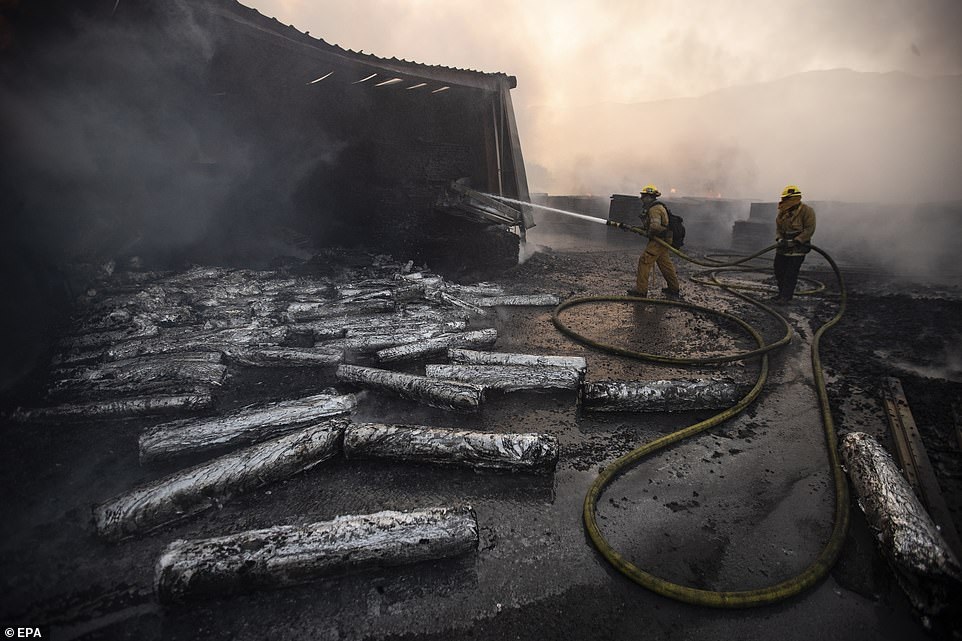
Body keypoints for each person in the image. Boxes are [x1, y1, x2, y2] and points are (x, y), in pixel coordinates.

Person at [628, 184, 680, 298]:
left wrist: (647, 233)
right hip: (663, 240)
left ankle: (641, 291)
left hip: (658, 241)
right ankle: (674, 288)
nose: (641, 198)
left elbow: (655, 227)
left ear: (649, 197)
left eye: (643, 196)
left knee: (644, 261)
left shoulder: (654, 209)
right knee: (665, 264)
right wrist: (637, 228)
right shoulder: (656, 207)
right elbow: (653, 226)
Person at [772, 184, 816, 303]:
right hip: (783, 248)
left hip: (798, 249)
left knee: (790, 273)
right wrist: (779, 239)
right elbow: (778, 229)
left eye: (786, 199)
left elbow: (809, 229)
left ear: (794, 199)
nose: (783, 201)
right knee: (779, 269)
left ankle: (786, 297)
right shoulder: (782, 212)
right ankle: (781, 294)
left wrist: (796, 241)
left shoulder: (807, 211)